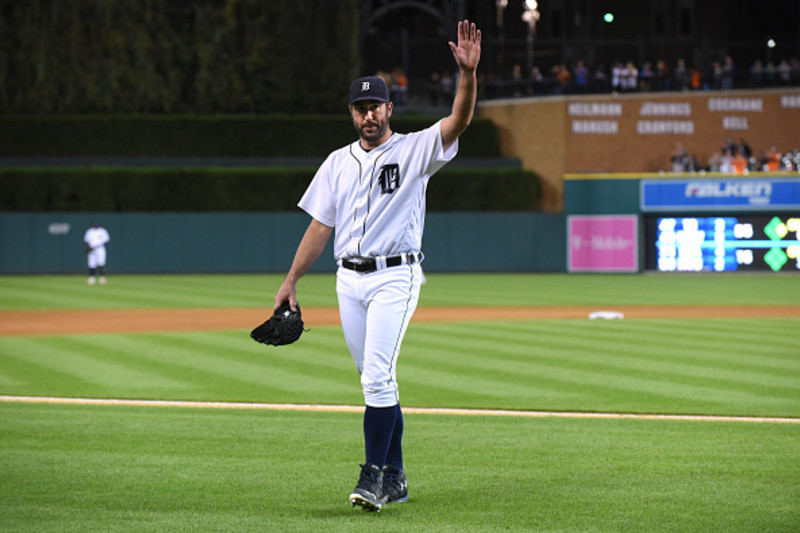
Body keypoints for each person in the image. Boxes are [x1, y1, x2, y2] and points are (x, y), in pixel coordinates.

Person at [270, 19, 482, 512]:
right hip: (349, 280)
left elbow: (459, 121)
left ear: (390, 108)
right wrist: (291, 280)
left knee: (375, 378)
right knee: (377, 377)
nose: (369, 114)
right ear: (353, 113)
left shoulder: (413, 150)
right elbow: (321, 226)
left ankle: (373, 477)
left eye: (376, 106)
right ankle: (399, 477)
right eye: (361, 107)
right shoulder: (336, 162)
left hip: (395, 275)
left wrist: (467, 76)